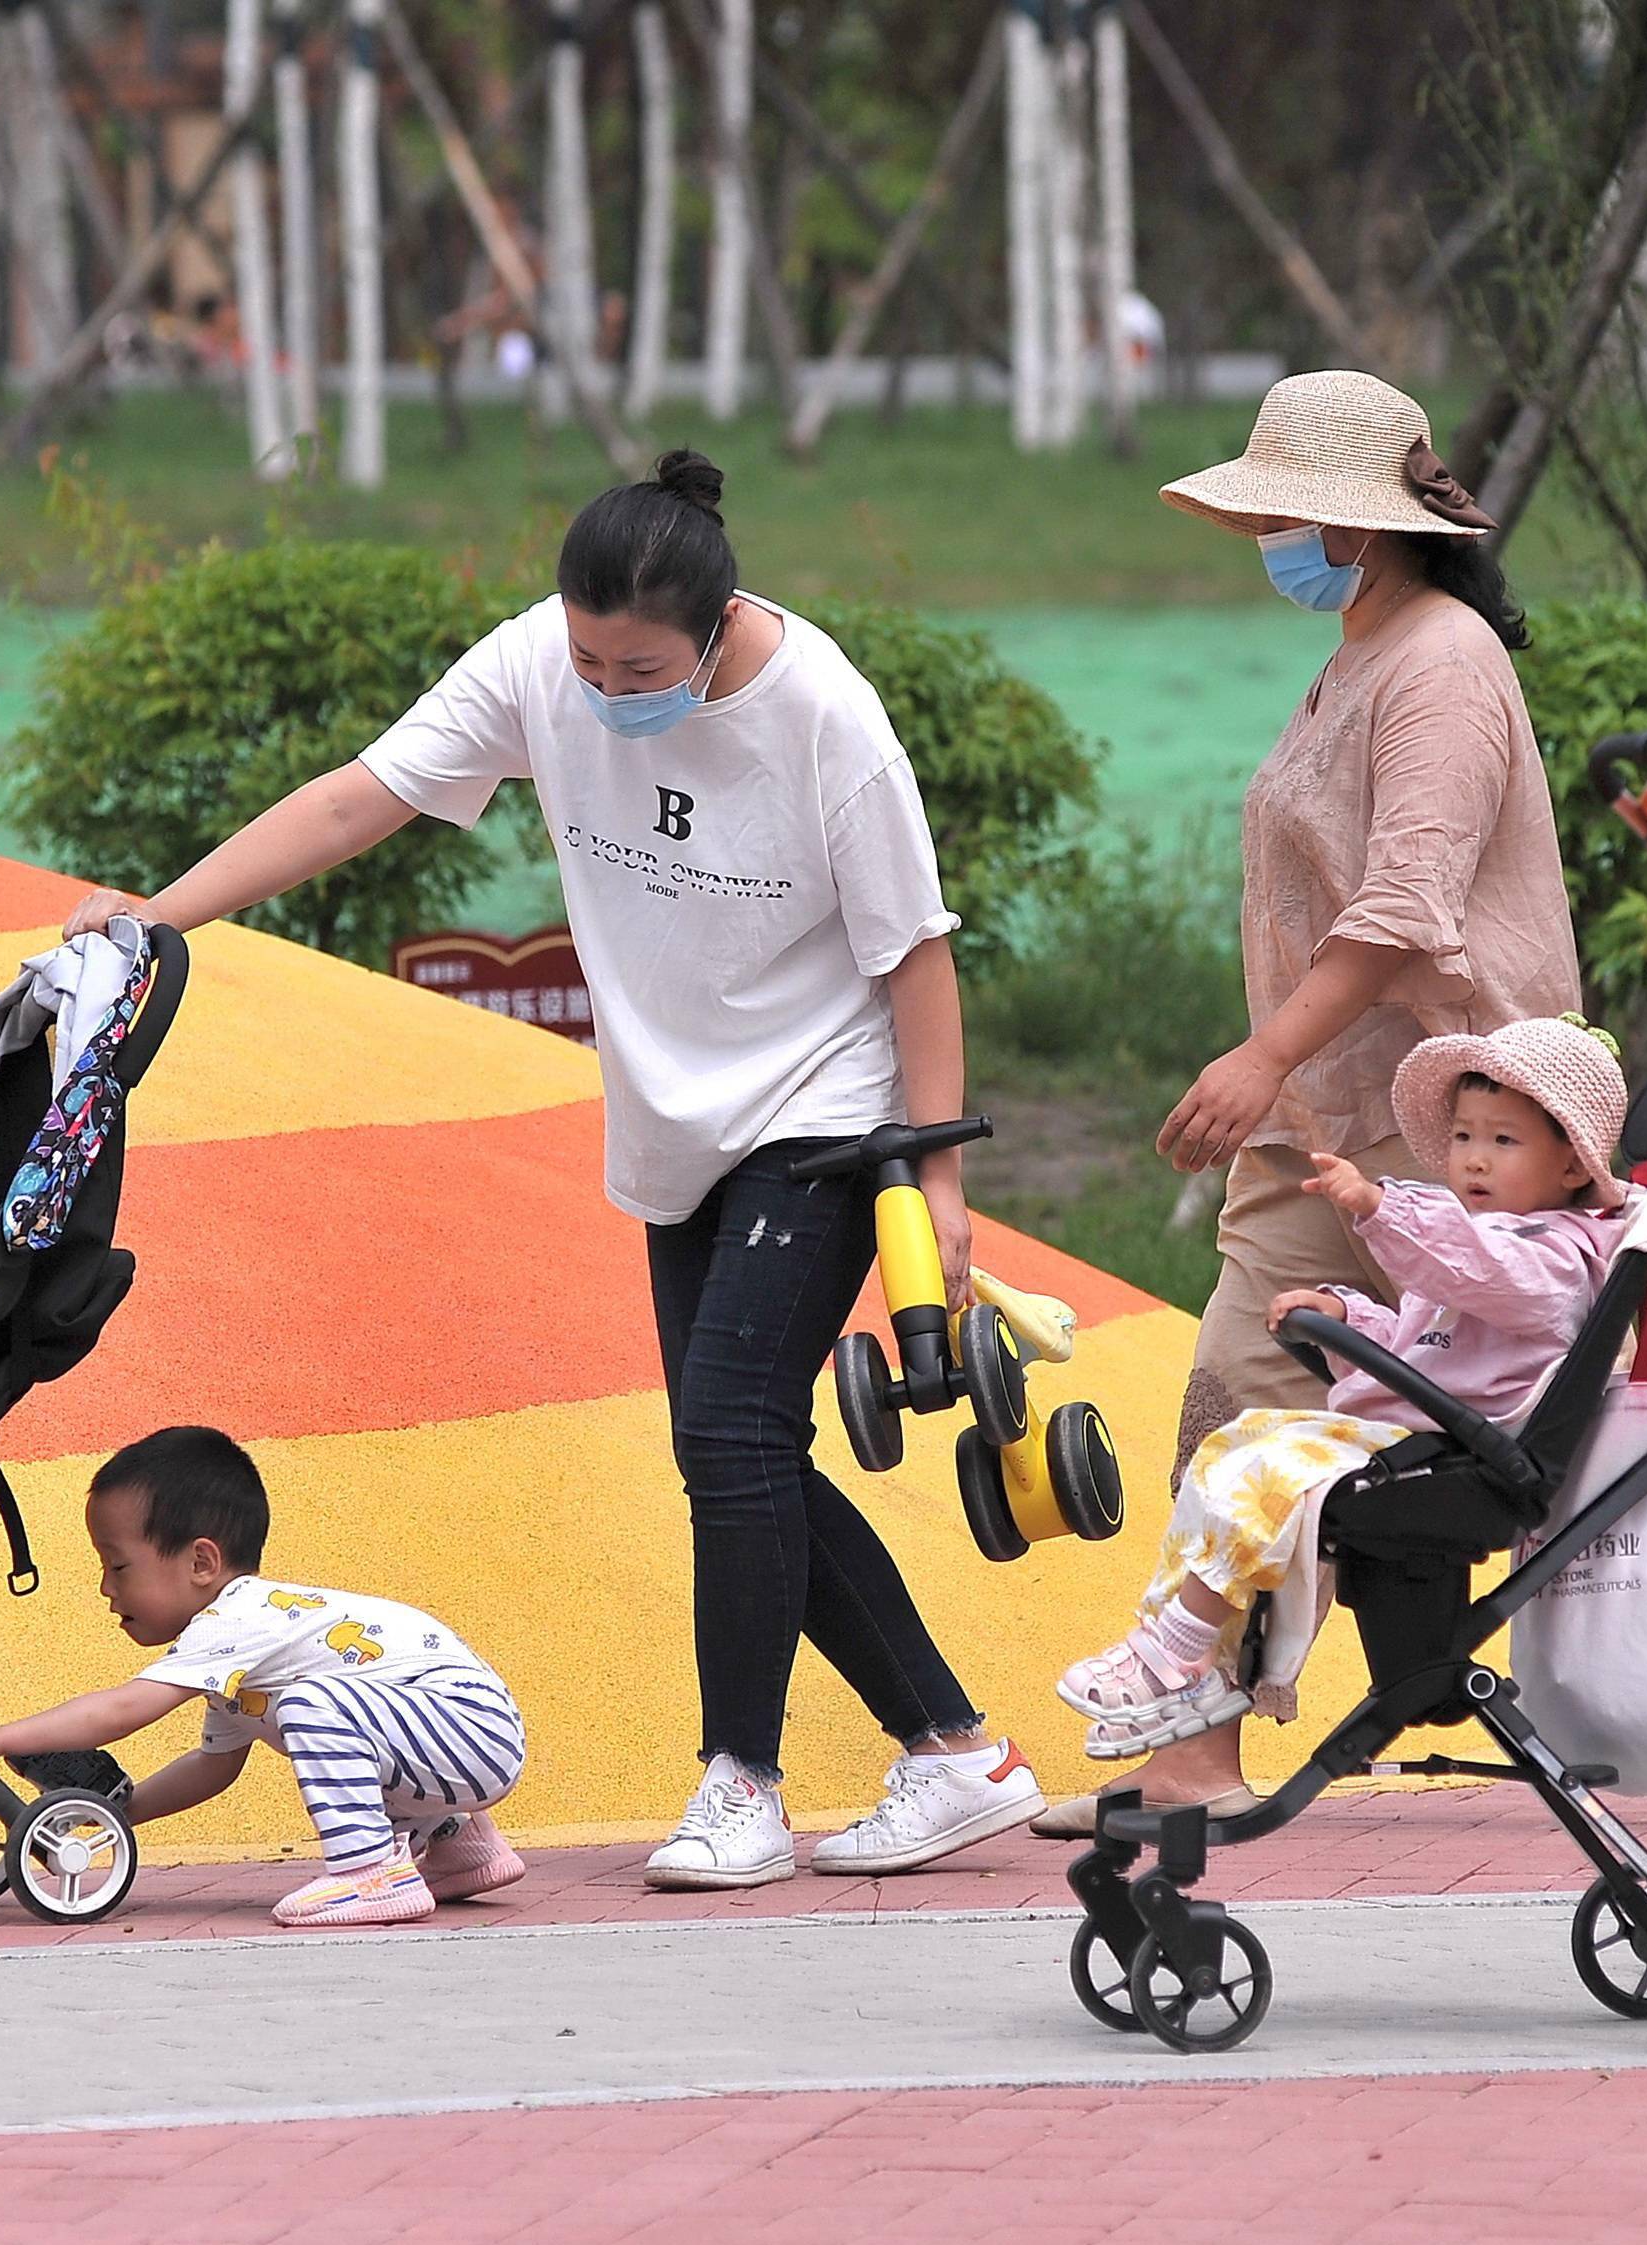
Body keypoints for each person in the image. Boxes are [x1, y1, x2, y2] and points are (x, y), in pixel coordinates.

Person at [57, 450, 1042, 1890]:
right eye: (588, 658)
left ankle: (742, 1782)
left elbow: (917, 953)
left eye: (640, 668)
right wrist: (162, 915)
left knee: (730, 1438)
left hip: (827, 1106)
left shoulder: (825, 714)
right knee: (739, 1451)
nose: (605, 689)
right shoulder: (536, 664)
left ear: (719, 627)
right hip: (675, 1120)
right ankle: (955, 1752)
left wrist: (936, 1180)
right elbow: (356, 800)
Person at [1040, 370, 1647, 1838]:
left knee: (1515, 1436)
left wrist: (1261, 1055)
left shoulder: (1442, 664)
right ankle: (1193, 1746)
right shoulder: (1365, 649)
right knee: (1248, 1396)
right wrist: (1284, 1077)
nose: (1271, 540)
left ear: (1359, 528)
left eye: (1288, 515)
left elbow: (1406, 905)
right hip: (1330, 1119)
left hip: (1459, 1122)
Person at [1059, 1019, 1631, 1755]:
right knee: (1234, 1445)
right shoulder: (1491, 1242)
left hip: (1456, 1459)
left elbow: (1471, 1265)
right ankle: (1190, 1650)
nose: (1474, 1159)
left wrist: (1381, 1208)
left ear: (1573, 1166)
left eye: (1503, 1140)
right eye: (1463, 1136)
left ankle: (1174, 1651)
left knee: (1268, 1477)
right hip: (1421, 1439)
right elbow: (1421, 1347)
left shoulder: (1549, 1260)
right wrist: (1348, 1318)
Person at [0, 1427, 528, 1929]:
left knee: (313, 1705)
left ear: (201, 1562)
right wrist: (116, 1819)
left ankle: (370, 1873)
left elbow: (125, 1708)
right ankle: (465, 1846)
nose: (106, 1588)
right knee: (336, 1719)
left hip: (469, 1724)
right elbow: (213, 1767)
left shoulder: (236, 1618)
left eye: (118, 1565)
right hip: (455, 1735)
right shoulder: (241, 1652)